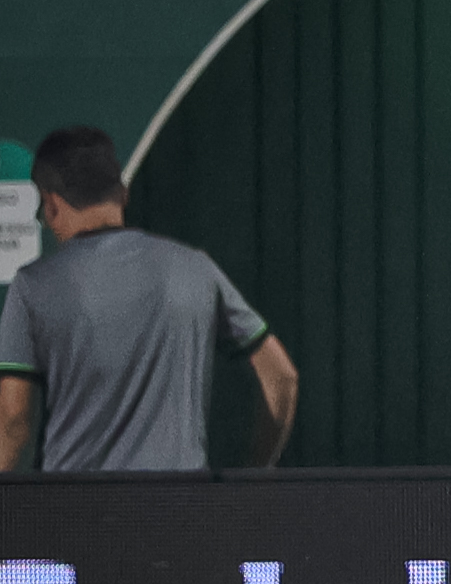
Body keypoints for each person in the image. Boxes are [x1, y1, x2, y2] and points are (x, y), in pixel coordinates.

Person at [0, 127, 299, 471]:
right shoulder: (196, 269)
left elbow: (13, 421)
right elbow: (282, 376)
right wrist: (257, 471)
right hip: (177, 509)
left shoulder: (32, 286)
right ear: (123, 194)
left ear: (50, 205)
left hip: (76, 511)